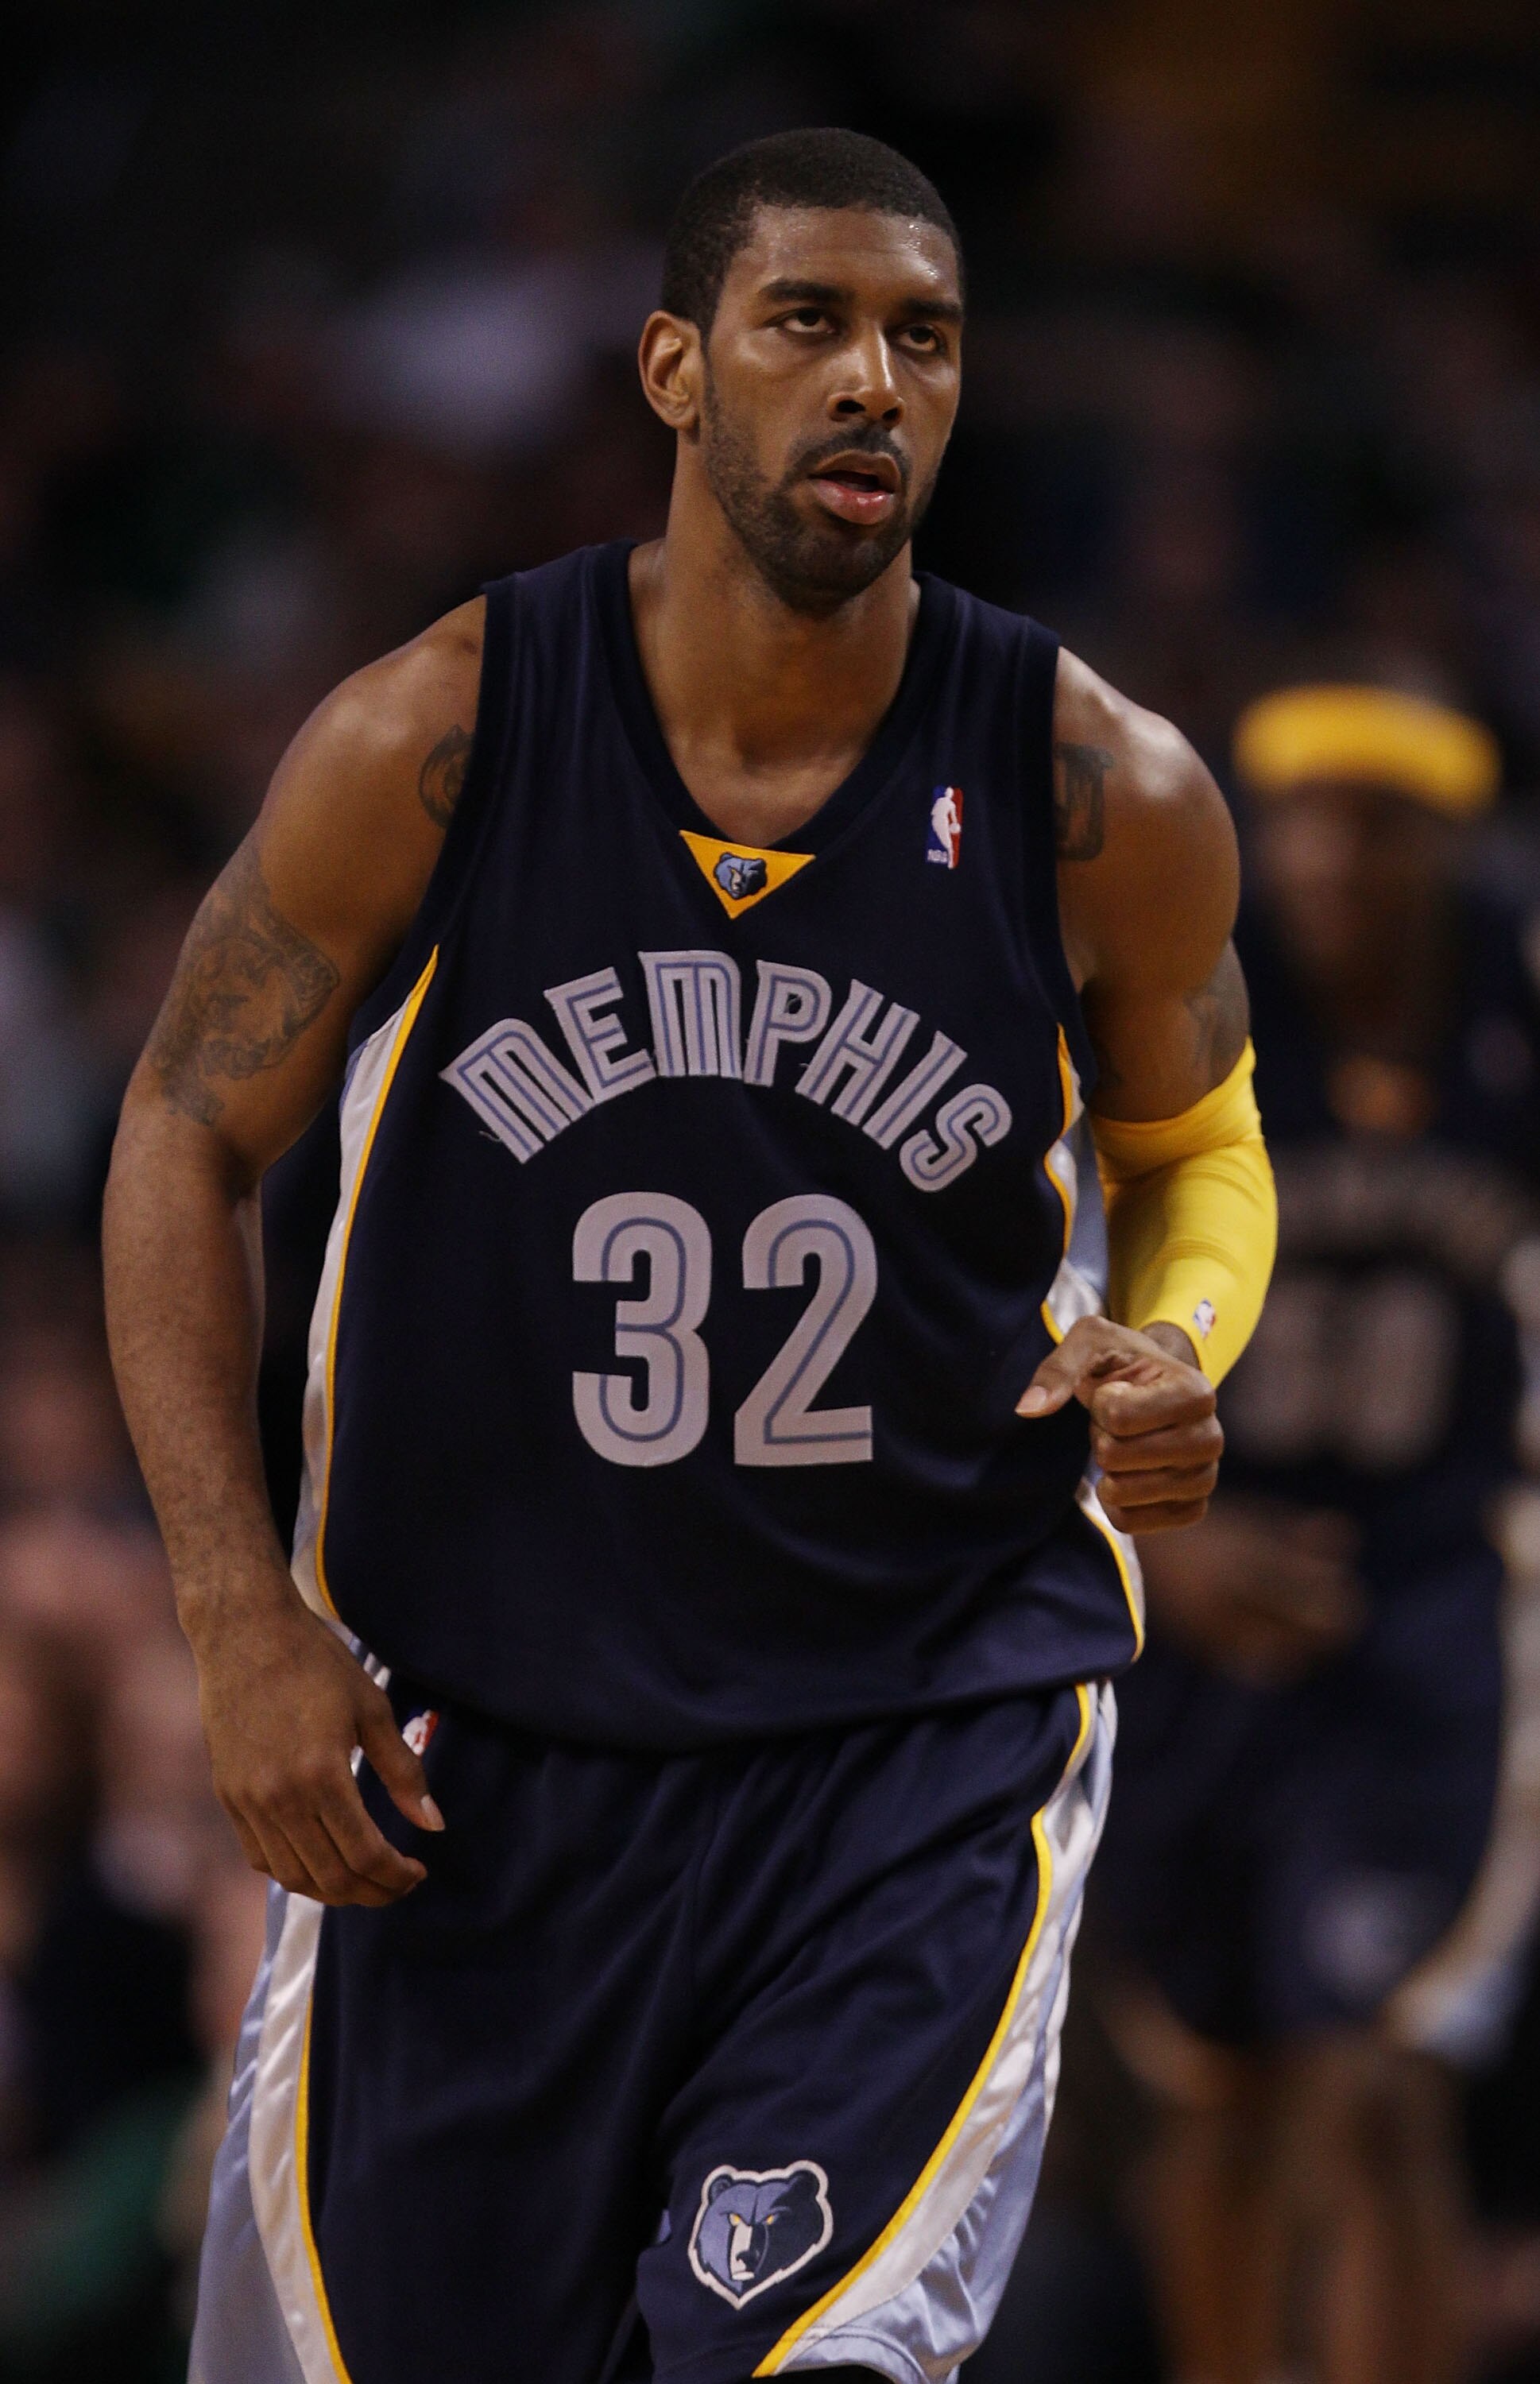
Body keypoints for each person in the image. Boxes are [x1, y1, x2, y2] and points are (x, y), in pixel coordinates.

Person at [102, 130, 1275, 2384]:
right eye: (806, 324)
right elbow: (177, 1126)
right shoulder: (439, 730)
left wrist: (1179, 1331)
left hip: (915, 1738)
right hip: (484, 1761)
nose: (872, 385)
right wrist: (238, 1616)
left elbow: (1200, 1139)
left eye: (922, 340)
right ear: (671, 367)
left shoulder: (1088, 781)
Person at [1096, 683, 1538, 2384]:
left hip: (1427, 1616)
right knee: (1213, 2100)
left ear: (1453, 844)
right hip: (1195, 1594)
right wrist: (1157, 1549)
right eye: (1308, 818)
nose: (1334, 858)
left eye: (1379, 822)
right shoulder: (1185, 994)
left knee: (1373, 2077)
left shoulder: (1515, 997)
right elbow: (1042, 1285)